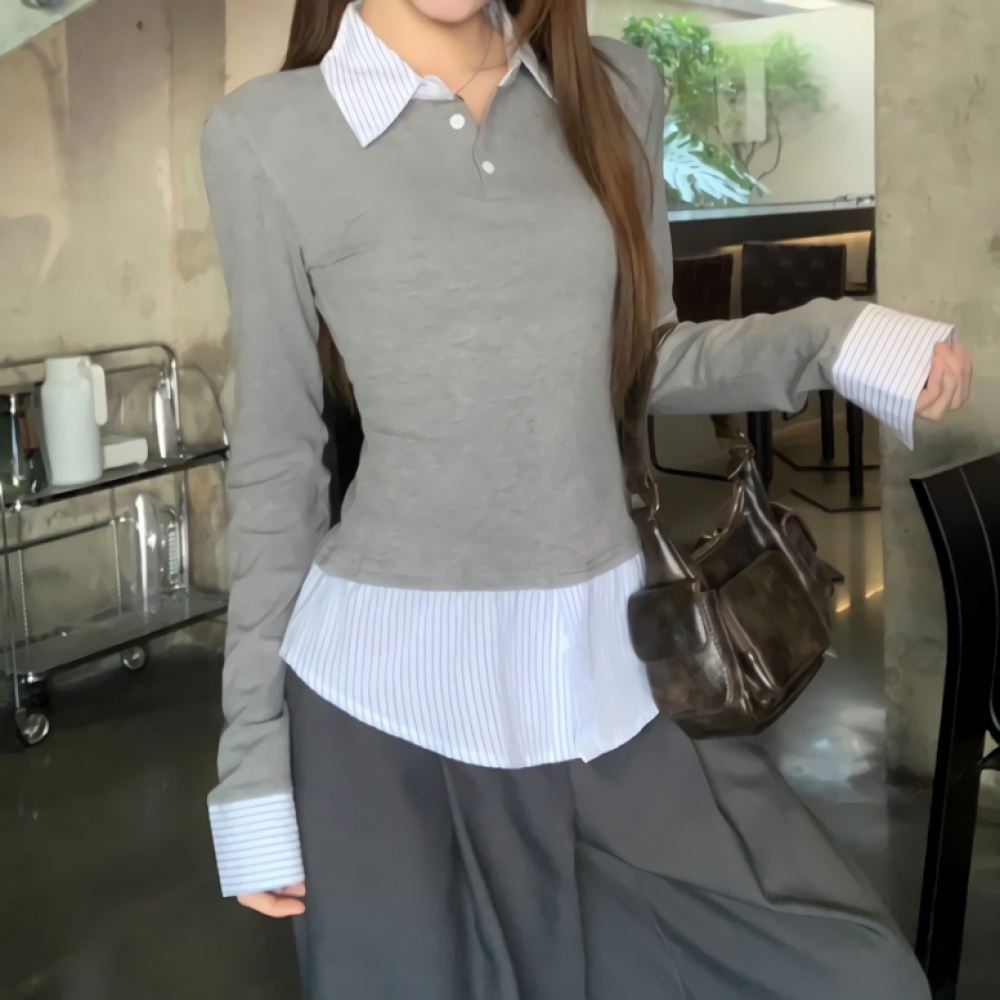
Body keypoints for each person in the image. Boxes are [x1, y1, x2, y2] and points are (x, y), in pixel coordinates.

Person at [201, 0, 972, 996]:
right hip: (378, 705)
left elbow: (642, 356)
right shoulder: (267, 131)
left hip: (609, 671)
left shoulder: (611, 88)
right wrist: (253, 763)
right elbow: (276, 459)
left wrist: (837, 337)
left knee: (856, 979)